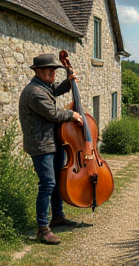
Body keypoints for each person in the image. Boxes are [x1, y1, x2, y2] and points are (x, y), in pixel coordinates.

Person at [19, 53, 83, 244]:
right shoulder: (34, 92)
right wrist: (72, 114)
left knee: (55, 181)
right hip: (41, 145)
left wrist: (69, 81)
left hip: (52, 142)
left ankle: (57, 217)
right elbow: (52, 113)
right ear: (37, 71)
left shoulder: (44, 87)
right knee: (47, 185)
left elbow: (55, 89)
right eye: (49, 70)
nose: (53, 74)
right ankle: (42, 229)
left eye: (55, 70)